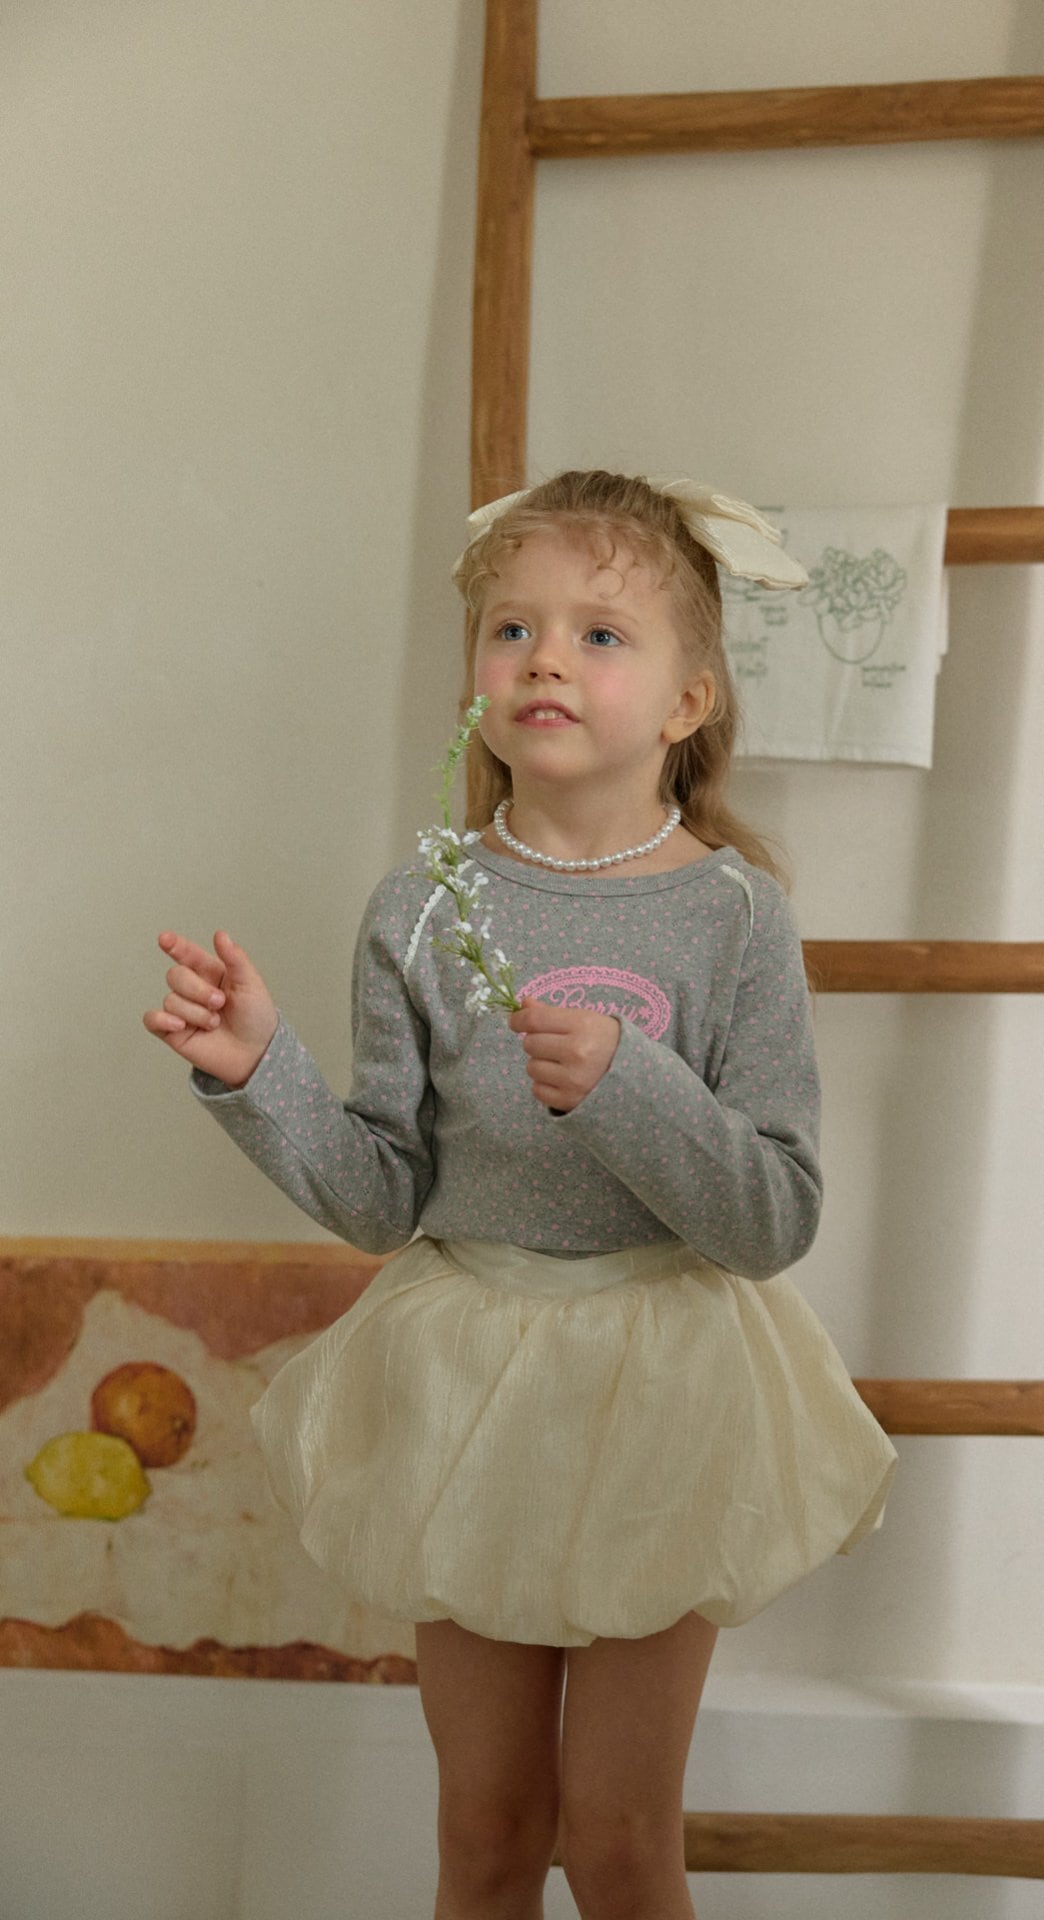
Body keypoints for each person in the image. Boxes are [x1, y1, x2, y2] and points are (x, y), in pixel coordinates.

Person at [143, 470, 897, 1920]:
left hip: (665, 1389)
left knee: (617, 1843)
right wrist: (260, 1071)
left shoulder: (734, 915)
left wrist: (629, 1086)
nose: (546, 657)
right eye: (513, 629)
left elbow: (774, 1216)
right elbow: (384, 1197)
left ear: (687, 702)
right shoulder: (421, 908)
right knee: (487, 1832)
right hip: (468, 1391)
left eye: (600, 634)